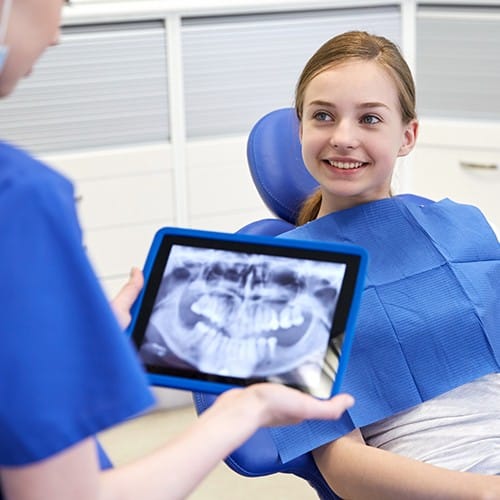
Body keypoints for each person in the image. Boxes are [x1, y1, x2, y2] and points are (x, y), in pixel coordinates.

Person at [0, 1, 356, 499]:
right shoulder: (20, 197)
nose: (58, 31)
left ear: (408, 134)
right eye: (61, 1)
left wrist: (60, 340)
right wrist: (243, 410)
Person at [265, 30, 500, 498]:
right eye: (323, 116)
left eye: (369, 118)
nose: (343, 137)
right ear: (301, 129)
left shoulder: (462, 228)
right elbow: (342, 466)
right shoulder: (281, 277)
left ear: (407, 135)